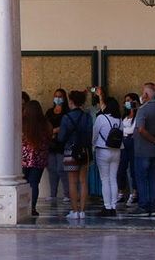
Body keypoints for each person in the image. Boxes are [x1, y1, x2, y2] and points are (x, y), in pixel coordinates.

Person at [129, 83, 155, 217]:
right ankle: (154, 206)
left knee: (142, 178)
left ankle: (144, 206)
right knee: (153, 178)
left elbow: (141, 129)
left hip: (143, 150)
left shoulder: (143, 110)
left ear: (145, 95)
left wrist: (152, 139)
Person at [58, 90, 93, 220]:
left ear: (71, 101)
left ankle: (75, 211)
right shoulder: (87, 117)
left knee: (72, 182)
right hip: (84, 152)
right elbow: (90, 135)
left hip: (70, 151)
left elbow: (61, 137)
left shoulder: (66, 117)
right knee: (83, 182)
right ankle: (83, 211)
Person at [93, 96, 122, 216]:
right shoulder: (119, 120)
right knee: (113, 178)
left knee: (104, 179)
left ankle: (107, 206)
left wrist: (92, 145)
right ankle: (114, 207)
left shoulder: (101, 118)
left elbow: (94, 134)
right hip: (117, 151)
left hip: (103, 150)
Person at [22, 100, 51, 216]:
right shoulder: (45, 124)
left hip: (23, 159)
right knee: (34, 183)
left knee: (23, 183)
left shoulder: (22, 124)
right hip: (39, 159)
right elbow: (49, 137)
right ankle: (32, 207)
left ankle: (23, 205)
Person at [45, 89, 70, 203]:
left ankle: (67, 194)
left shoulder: (67, 112)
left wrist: (55, 131)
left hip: (62, 144)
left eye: (60, 96)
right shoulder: (50, 112)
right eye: (56, 96)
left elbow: (67, 126)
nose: (58, 98)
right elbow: (45, 125)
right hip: (50, 144)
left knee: (62, 169)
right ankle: (52, 194)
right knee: (52, 169)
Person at [117, 93, 140, 205]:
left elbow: (135, 129)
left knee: (133, 169)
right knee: (121, 168)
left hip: (133, 141)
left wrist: (138, 107)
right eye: (126, 100)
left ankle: (134, 193)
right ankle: (121, 192)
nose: (127, 102)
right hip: (124, 142)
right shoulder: (124, 117)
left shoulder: (138, 115)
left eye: (130, 100)